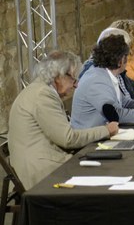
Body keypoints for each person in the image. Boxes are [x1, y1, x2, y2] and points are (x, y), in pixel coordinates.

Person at [7, 51, 118, 189]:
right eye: (73, 79)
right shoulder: (43, 95)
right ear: (59, 76)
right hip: (42, 172)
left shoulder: (40, 90)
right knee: (105, 174)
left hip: (43, 162)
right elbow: (67, 138)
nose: (75, 85)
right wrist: (106, 130)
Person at [71, 35, 134, 128]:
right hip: (91, 138)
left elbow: (125, 103)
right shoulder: (96, 80)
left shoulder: (108, 74)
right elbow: (115, 114)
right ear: (121, 60)